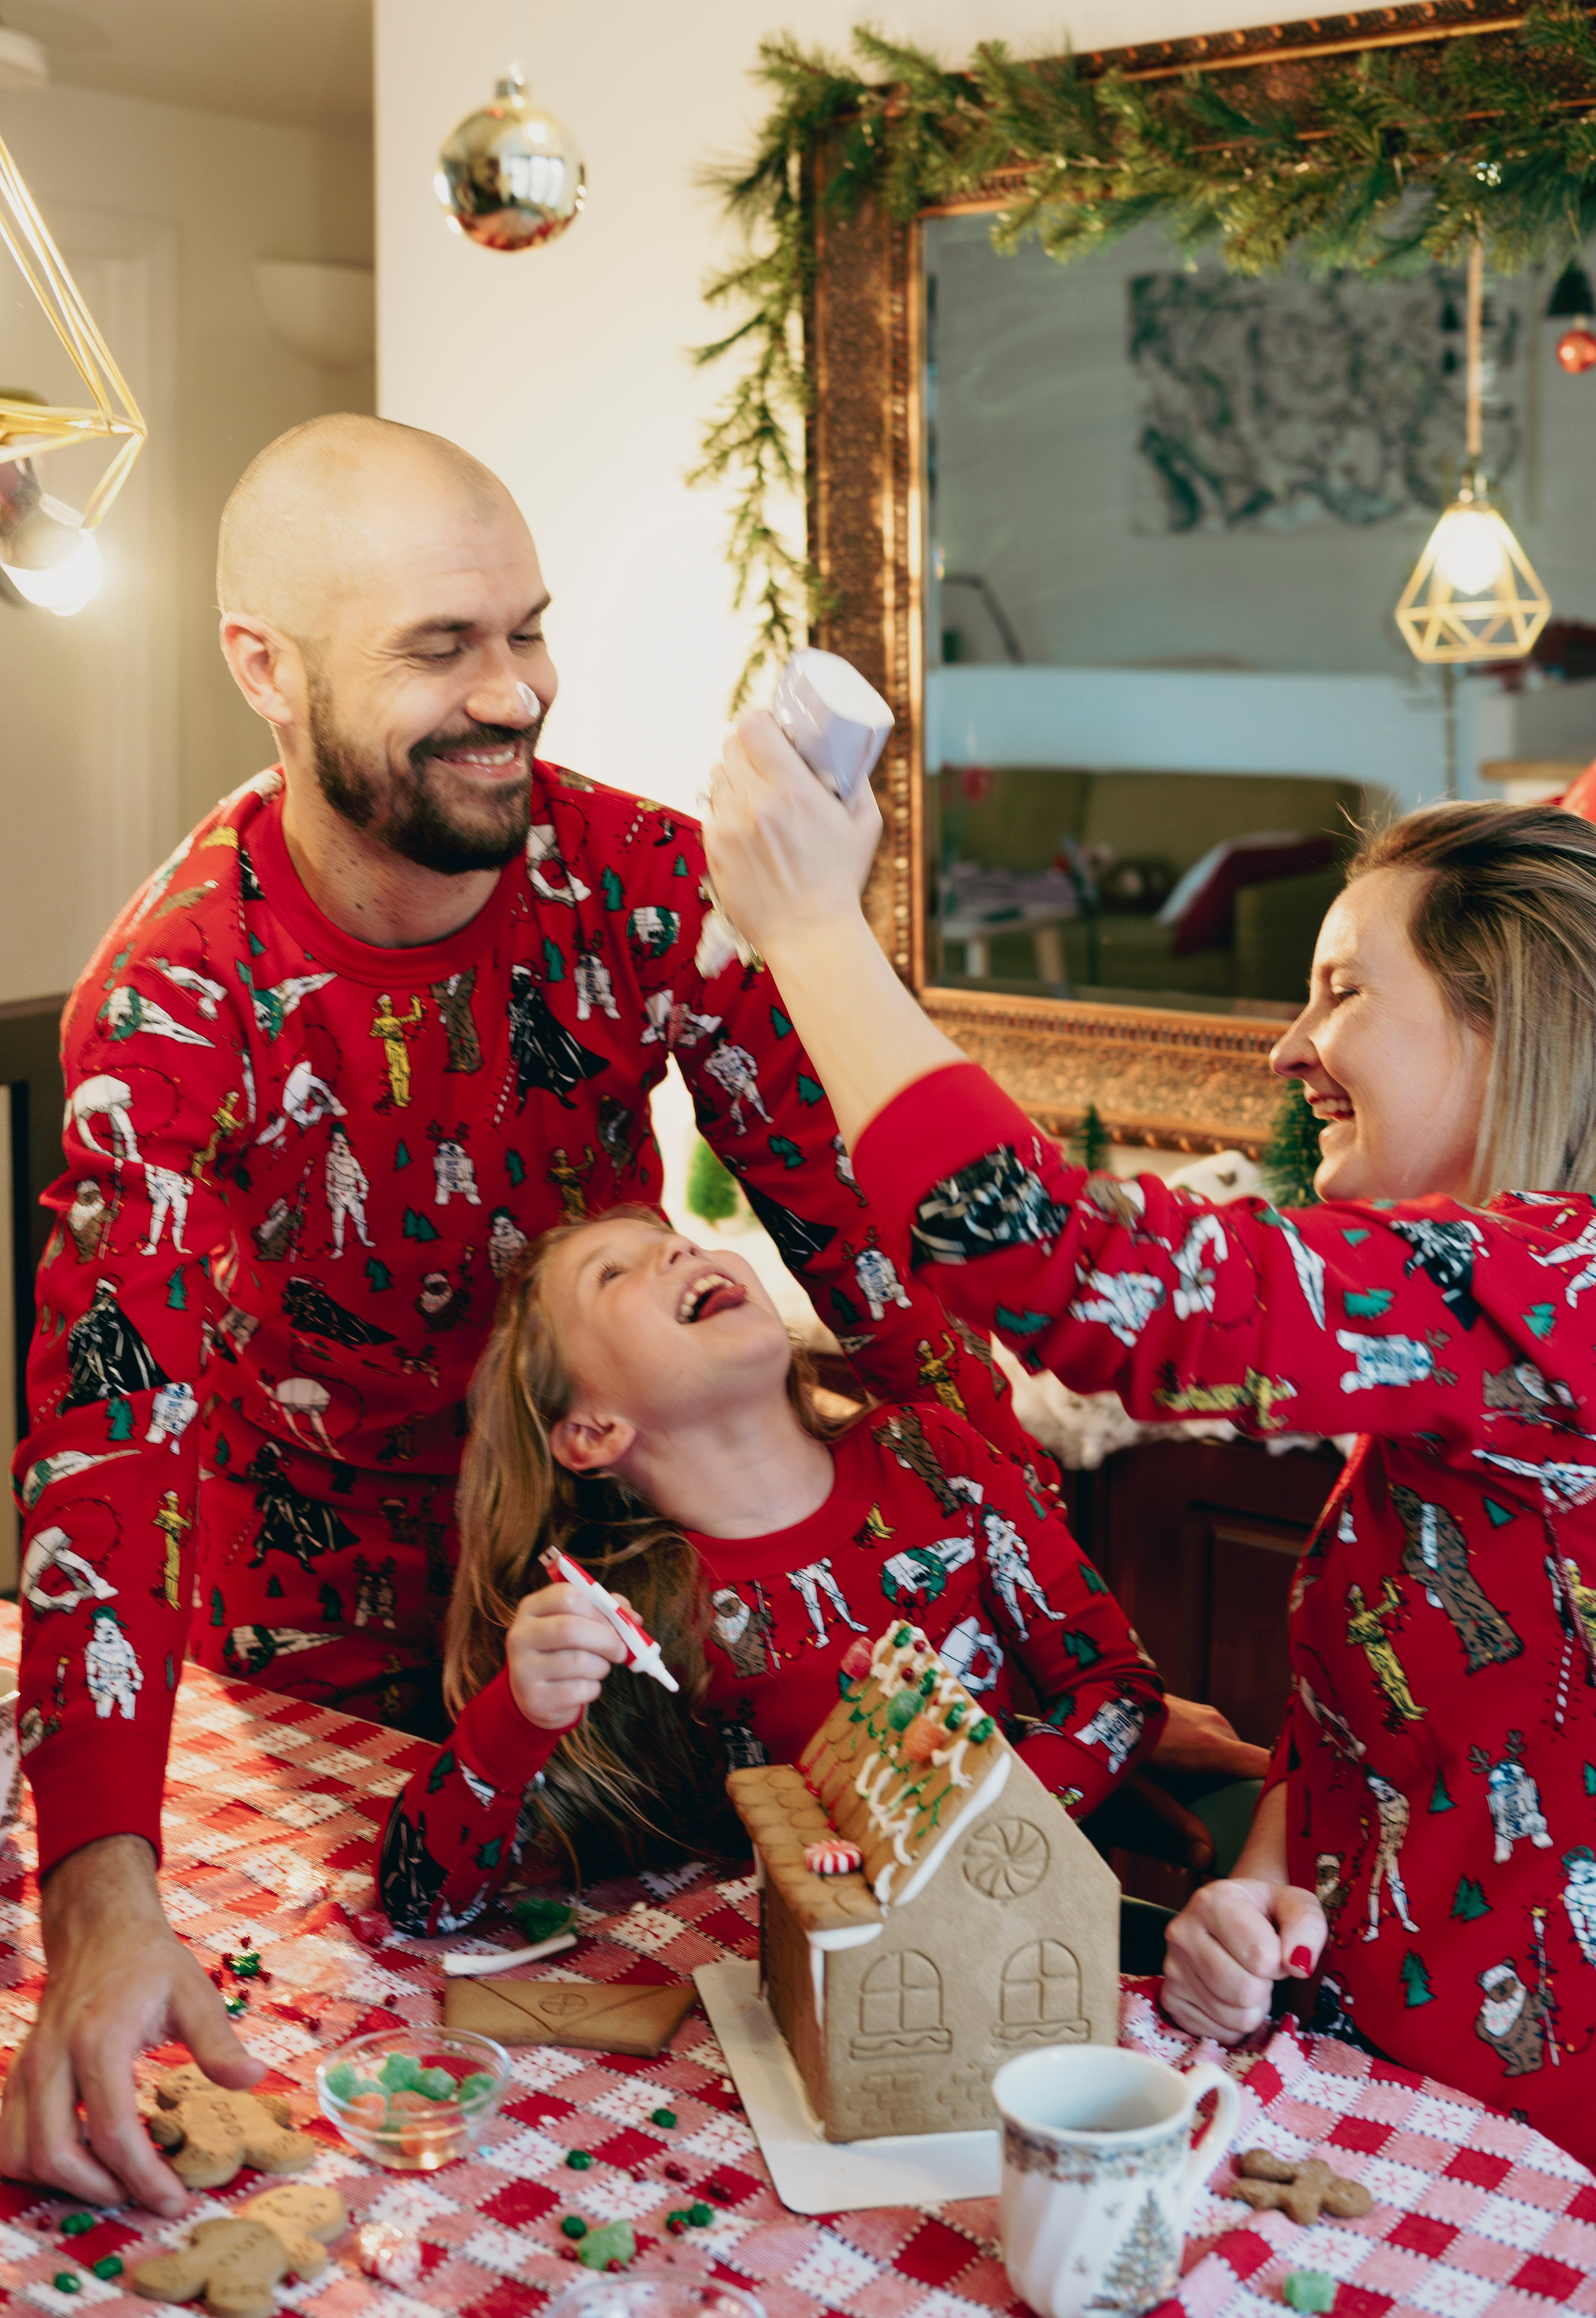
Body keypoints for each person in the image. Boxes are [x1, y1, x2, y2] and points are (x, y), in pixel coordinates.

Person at [0, 415, 1035, 2214]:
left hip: (613, 1612)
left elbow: (875, 1279)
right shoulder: (174, 995)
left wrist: (1032, 1595)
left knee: (723, 2123)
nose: (514, 692)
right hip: (313, 1659)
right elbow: (113, 1432)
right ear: (265, 665)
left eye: (525, 629)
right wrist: (96, 1888)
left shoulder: (640, 888)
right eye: (438, 647)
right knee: (381, 2135)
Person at [704, 719, 1596, 2166]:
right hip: (1376, 2095)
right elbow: (1364, 1729)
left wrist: (811, 926)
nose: (1287, 1046)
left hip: (1548, 2159)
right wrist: (1261, 1890)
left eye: (1343, 991)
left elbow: (1070, 1280)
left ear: (1513, 1021)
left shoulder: (1564, 1286)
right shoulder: (1443, 1351)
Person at [376, 1206, 1165, 1935]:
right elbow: (421, 1904)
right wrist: (515, 1716)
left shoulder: (936, 1460)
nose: (681, 1247)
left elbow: (1119, 1689)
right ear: (591, 1430)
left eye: (675, 1238)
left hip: (986, 1943)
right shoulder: (613, 1622)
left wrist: (968, 1835)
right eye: (613, 1273)